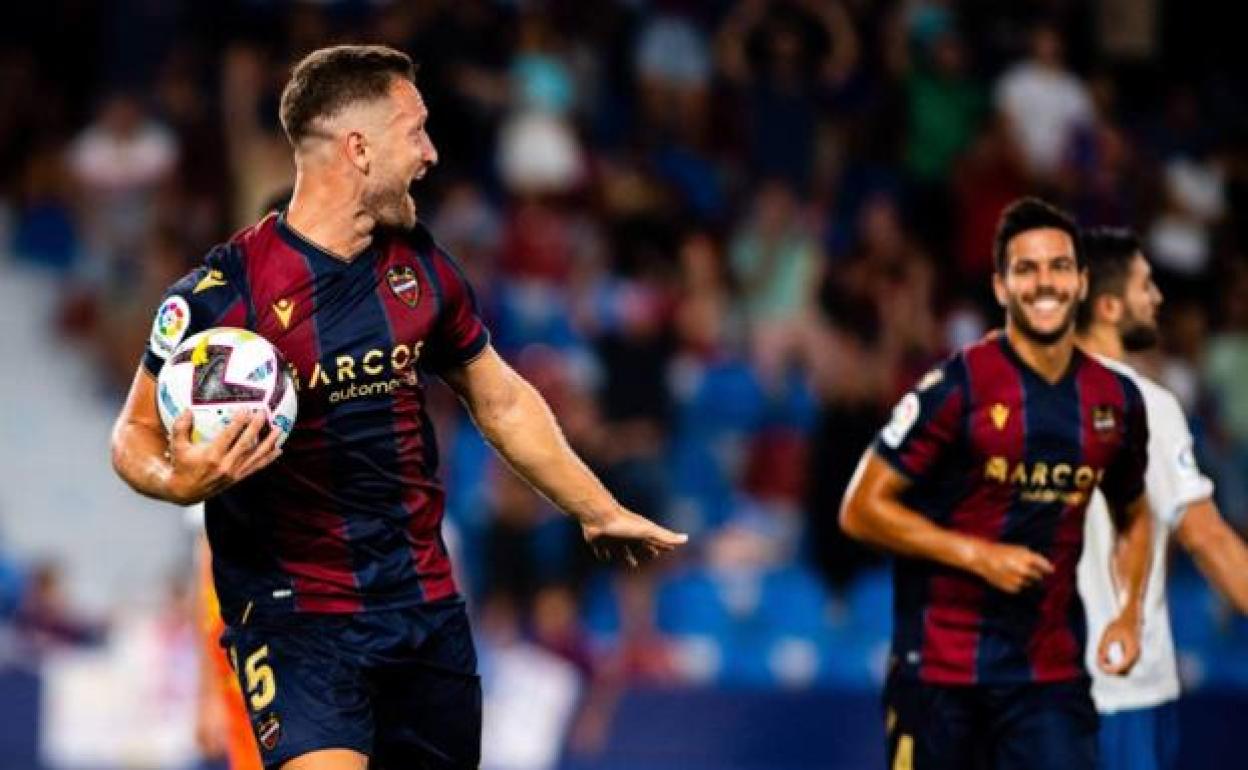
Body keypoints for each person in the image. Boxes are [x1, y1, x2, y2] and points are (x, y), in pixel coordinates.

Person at [110, 44, 687, 770]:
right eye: (414, 131)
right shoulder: (225, 294)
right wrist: (174, 481)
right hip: (297, 620)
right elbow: (133, 433)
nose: (431, 153)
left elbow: (500, 399)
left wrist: (596, 508)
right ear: (358, 148)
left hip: (423, 614)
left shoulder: (420, 269)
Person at [840, 197, 1153, 770]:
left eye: (1059, 266)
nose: (1045, 282)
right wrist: (977, 555)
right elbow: (860, 509)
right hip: (939, 675)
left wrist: (1130, 614)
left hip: (1048, 679)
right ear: (1001, 287)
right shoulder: (956, 387)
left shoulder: (1117, 403)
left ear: (1082, 282)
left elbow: (1134, 513)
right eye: (1026, 269)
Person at [1074, 227, 1248, 770]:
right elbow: (1207, 537)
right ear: (1107, 306)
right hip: (1124, 695)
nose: (1158, 299)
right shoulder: (1146, 407)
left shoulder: (1012, 402)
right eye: (1144, 286)